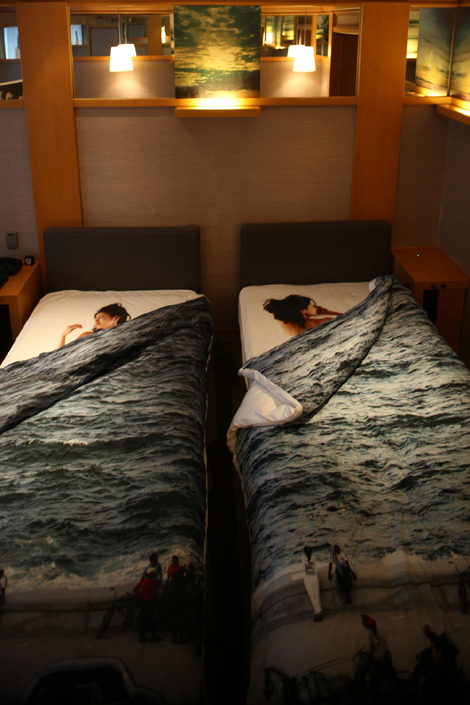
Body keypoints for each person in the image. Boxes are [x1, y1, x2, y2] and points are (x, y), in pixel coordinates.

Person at [58, 303, 131, 347]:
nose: (96, 320)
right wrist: (63, 336)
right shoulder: (87, 335)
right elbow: (62, 357)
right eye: (95, 318)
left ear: (116, 318)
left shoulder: (126, 336)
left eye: (101, 317)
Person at [263, 295, 341, 337]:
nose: (316, 307)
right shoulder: (317, 322)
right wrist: (328, 312)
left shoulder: (284, 321)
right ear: (303, 311)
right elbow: (345, 318)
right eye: (313, 306)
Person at [355, 614, 394, 692]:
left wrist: (372, 656)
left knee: (371, 669)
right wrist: (364, 652)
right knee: (362, 664)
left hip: (382, 660)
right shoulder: (370, 634)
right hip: (375, 658)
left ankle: (372, 688)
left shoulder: (381, 636)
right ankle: (361, 685)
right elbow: (371, 647)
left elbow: (382, 653)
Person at [133, 569, 162, 643]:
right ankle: (154, 637)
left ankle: (142, 637)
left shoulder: (142, 581)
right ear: (151, 575)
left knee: (142, 620)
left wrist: (140, 594)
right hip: (149, 601)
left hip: (143, 601)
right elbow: (153, 591)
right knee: (151, 620)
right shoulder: (152, 581)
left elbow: (135, 589)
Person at [166, 556, 187, 644]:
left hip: (176, 597)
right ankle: (178, 637)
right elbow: (168, 578)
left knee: (176, 618)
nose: (175, 562)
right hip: (177, 598)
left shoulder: (178, 569)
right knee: (179, 618)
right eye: (173, 561)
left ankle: (175, 637)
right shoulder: (172, 569)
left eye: (176, 561)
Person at [302, 546, 323, 622]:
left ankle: (316, 613)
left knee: (316, 595)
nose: (308, 553)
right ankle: (319, 611)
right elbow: (304, 567)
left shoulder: (314, 558)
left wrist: (316, 578)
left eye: (309, 552)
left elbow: (315, 569)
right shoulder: (303, 558)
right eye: (307, 552)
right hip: (307, 579)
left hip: (314, 578)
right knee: (311, 595)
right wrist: (308, 560)